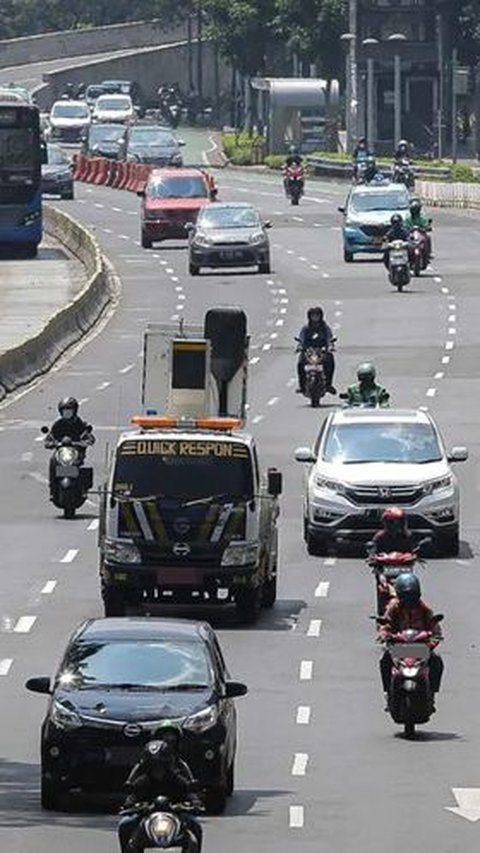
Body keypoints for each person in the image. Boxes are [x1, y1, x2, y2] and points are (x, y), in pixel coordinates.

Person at [118, 722, 203, 853]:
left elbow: (187, 789)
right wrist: (130, 805)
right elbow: (133, 794)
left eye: (161, 765)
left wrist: (194, 803)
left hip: (175, 816)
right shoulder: (143, 780)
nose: (158, 770)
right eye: (154, 766)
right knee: (124, 825)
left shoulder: (176, 777)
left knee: (195, 826)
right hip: (147, 817)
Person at [378, 573, 444, 705]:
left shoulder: (424, 608)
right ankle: (388, 692)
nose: (409, 600)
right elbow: (386, 624)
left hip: (420, 647)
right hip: (400, 647)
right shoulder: (394, 607)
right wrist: (385, 634)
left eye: (412, 595)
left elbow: (434, 626)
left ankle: (432, 692)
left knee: (436, 662)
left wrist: (434, 640)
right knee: (385, 661)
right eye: (406, 596)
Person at [45, 397, 94, 497]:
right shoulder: (57, 424)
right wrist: (50, 443)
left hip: (75, 452)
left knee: (80, 465)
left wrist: (86, 442)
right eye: (65, 411)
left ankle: (83, 488)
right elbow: (49, 438)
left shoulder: (79, 424)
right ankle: (52, 489)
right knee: (52, 461)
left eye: (69, 411)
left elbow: (89, 436)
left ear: (75, 411)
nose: (67, 414)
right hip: (62, 452)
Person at [296, 306, 336, 395]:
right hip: (309, 352)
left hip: (321, 352)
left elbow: (329, 338)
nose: (315, 317)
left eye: (317, 315)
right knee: (300, 363)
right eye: (313, 315)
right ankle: (302, 386)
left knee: (330, 360)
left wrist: (330, 346)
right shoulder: (306, 328)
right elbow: (301, 339)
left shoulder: (325, 328)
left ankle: (328, 384)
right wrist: (300, 347)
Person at [404, 197, 432, 261]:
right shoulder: (408, 217)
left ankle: (428, 253)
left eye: (416, 209)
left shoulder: (422, 217)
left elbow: (426, 224)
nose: (415, 211)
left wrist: (427, 227)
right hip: (411, 234)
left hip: (421, 234)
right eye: (413, 209)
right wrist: (407, 229)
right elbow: (405, 225)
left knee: (428, 237)